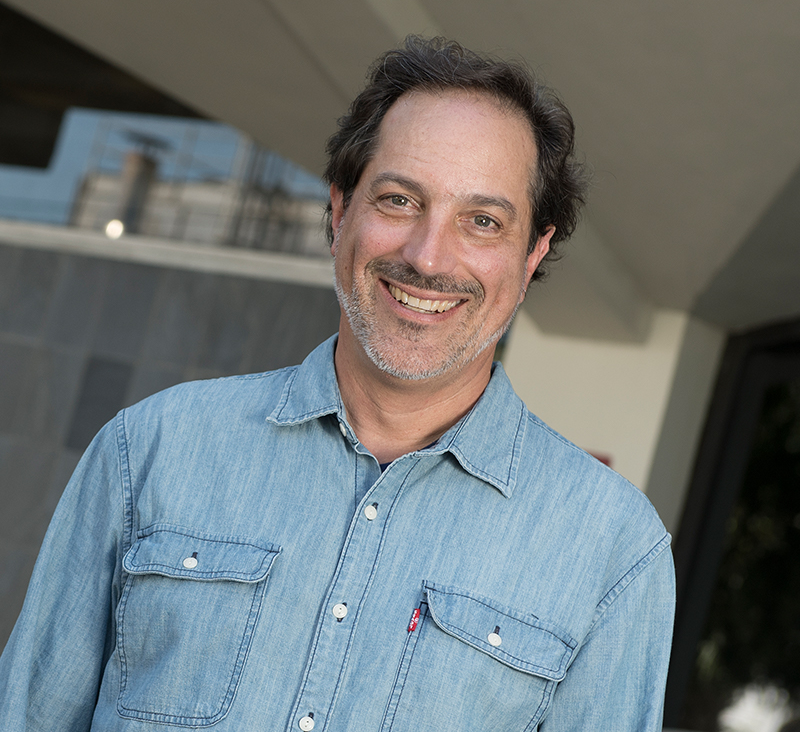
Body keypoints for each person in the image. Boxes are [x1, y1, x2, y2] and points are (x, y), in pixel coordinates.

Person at [0, 37, 674, 730]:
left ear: (532, 254)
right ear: (338, 211)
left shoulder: (615, 552)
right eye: (399, 200)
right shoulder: (147, 450)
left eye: (482, 221)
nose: (427, 255)